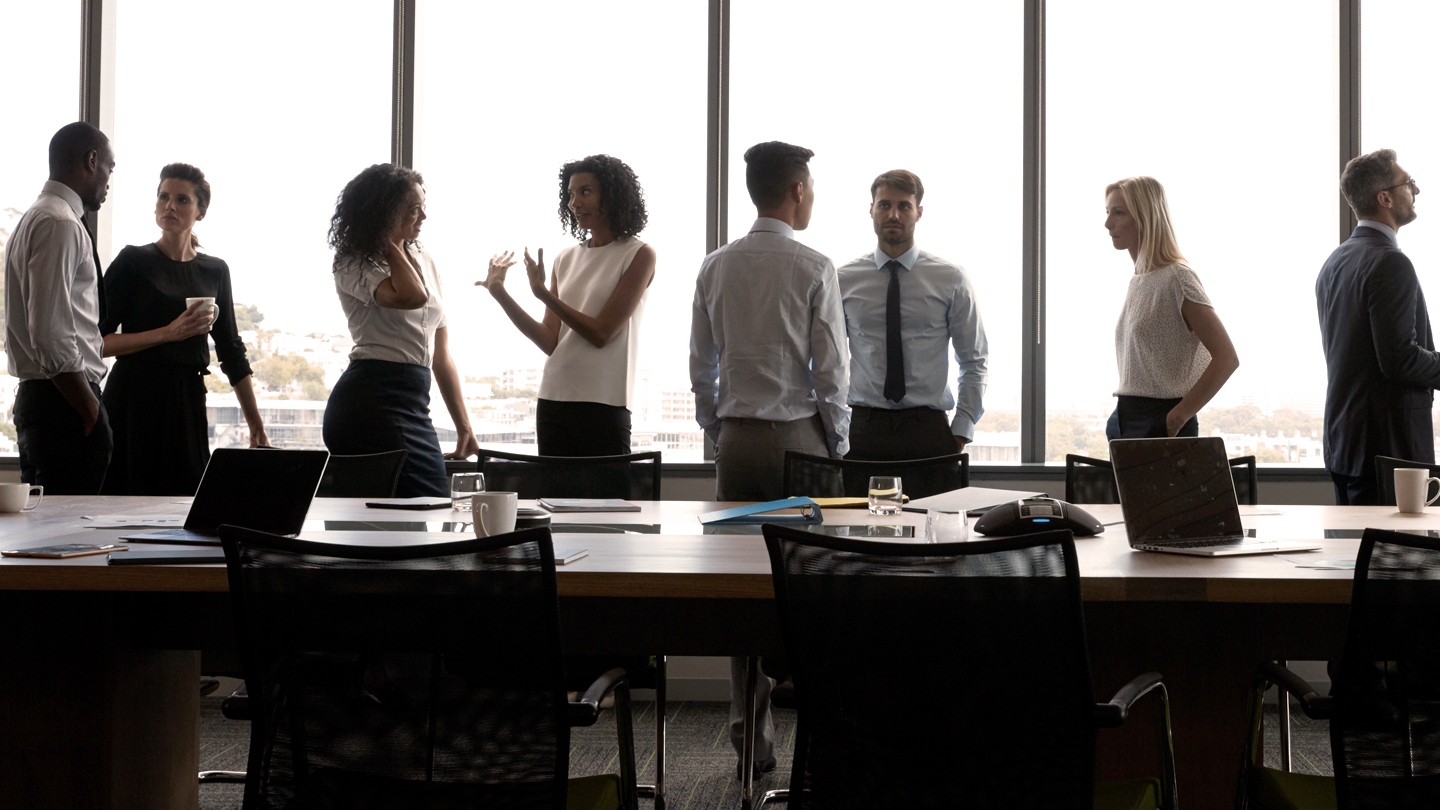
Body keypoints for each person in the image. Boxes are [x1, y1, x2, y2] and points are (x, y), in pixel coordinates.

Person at [689, 140, 849, 779]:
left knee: (740, 591)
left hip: (737, 442)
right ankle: (824, 732)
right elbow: (832, 370)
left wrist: (719, 426)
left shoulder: (715, 266)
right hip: (798, 443)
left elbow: (701, 365)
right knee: (808, 588)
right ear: (797, 191)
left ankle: (748, 737)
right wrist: (835, 443)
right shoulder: (814, 266)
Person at [99, 163, 269, 495]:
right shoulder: (133, 261)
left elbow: (232, 352)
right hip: (133, 399)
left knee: (185, 502)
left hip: (187, 400)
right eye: (164, 197)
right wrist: (168, 332)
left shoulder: (215, 270)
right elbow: (97, 342)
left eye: (182, 200)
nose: (170, 206)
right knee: (125, 501)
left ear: (200, 211)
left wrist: (256, 427)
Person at [479, 154, 655, 456]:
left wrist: (544, 294)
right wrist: (500, 294)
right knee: (554, 499)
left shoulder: (639, 254)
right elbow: (550, 340)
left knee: (608, 502)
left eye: (585, 192)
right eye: (571, 194)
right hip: (553, 400)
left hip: (605, 402)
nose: (574, 203)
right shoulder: (565, 258)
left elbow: (602, 333)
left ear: (612, 196)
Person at [322, 163, 477, 497]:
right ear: (385, 213)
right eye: (412, 210)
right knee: (419, 507)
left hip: (413, 400)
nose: (422, 218)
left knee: (420, 512)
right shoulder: (352, 261)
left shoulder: (426, 259)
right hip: (370, 399)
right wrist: (387, 239)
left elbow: (441, 355)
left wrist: (464, 427)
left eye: (423, 208)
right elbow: (410, 295)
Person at [1316, 149, 1440, 505]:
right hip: (1387, 448)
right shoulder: (1390, 262)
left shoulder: (1335, 262)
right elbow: (1399, 359)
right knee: (1397, 560)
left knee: (1355, 555)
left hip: (1344, 444)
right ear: (1384, 198)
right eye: (1408, 184)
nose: (1415, 191)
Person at [838, 169, 988, 460]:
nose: (893, 214)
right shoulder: (843, 280)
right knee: (854, 508)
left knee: (934, 508)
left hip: (929, 431)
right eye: (884, 205)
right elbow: (825, 360)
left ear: (919, 212)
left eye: (904, 206)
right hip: (863, 431)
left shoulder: (950, 278)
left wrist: (961, 429)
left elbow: (974, 359)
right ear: (871, 210)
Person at [4, 122, 115, 494]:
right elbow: (50, 333)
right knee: (70, 540)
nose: (108, 181)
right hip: (63, 402)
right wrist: (88, 407)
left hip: (45, 399)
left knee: (46, 538)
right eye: (109, 169)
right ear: (91, 160)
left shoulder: (36, 217)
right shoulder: (60, 223)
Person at [1102, 176, 1238, 440]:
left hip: (1161, 421)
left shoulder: (1177, 278)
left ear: (1145, 217)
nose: (1108, 224)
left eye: (1118, 213)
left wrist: (1177, 418)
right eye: (1108, 213)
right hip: (1126, 419)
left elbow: (1227, 358)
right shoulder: (1138, 281)